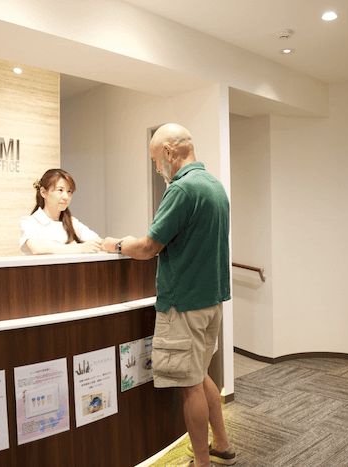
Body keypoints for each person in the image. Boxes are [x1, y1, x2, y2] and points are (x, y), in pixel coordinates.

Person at [102, 124, 235, 467]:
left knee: (189, 386)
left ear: (168, 151)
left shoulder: (182, 189)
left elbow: (148, 247)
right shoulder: (215, 187)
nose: (157, 169)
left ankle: (202, 463)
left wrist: (116, 244)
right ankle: (221, 444)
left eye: (155, 162)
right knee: (202, 374)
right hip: (211, 303)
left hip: (184, 305)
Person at [20, 168, 103, 255]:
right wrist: (81, 247)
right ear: (43, 192)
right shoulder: (29, 222)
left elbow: (98, 242)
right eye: (60, 190)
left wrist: (116, 245)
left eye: (69, 191)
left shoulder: (72, 222)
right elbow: (36, 249)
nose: (66, 197)